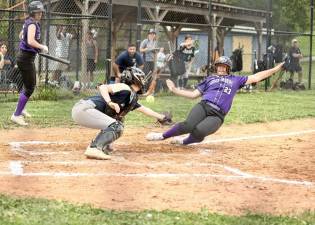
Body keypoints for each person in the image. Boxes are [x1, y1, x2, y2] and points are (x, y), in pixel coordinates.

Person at [146, 56, 285, 145]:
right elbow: (194, 95)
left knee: (199, 131)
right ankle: (161, 136)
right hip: (203, 106)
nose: (220, 68)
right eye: (218, 66)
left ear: (228, 68)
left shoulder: (236, 79)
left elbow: (256, 77)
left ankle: (184, 142)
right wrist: (175, 90)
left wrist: (276, 68)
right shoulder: (210, 79)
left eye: (223, 66)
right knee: (188, 125)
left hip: (218, 115)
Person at [72, 67, 173, 160]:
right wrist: (109, 102)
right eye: (141, 77)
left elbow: (144, 109)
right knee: (117, 126)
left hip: (85, 111)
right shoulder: (125, 87)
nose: (143, 80)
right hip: (84, 109)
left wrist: (162, 117)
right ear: (133, 78)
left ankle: (104, 145)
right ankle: (94, 148)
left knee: (118, 120)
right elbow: (103, 87)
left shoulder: (131, 97)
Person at [11, 1, 48, 126]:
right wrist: (42, 46)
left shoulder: (28, 22)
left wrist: (28, 43)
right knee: (30, 87)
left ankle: (21, 110)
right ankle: (16, 115)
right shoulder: (32, 24)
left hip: (25, 58)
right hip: (26, 59)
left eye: (41, 11)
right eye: (39, 11)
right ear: (33, 12)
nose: (41, 13)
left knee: (28, 86)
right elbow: (31, 41)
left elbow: (21, 35)